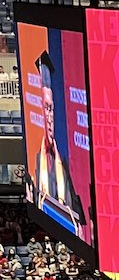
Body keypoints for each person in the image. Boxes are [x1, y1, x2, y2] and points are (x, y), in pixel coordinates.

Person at [28, 52, 85, 238]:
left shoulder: (68, 165)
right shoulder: (35, 159)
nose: (49, 117)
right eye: (46, 108)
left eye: (51, 108)